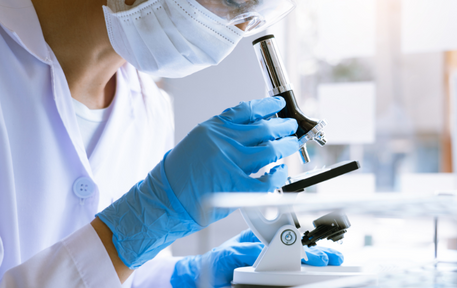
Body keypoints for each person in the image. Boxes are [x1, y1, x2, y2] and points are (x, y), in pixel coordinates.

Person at [0, 0, 344, 287]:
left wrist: (188, 277)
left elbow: (121, 274)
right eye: (232, 2)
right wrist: (147, 220)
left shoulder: (150, 106)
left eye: (251, 17)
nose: (234, 32)